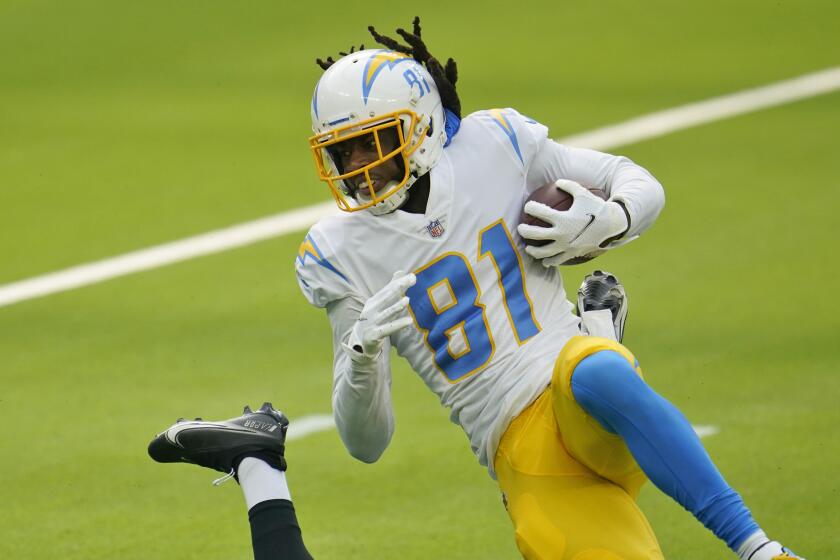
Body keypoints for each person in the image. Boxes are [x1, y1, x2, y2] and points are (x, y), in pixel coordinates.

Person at [295, 17, 803, 560]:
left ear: (419, 128)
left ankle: (759, 549)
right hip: (515, 444)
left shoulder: (495, 143)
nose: (358, 167)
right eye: (344, 152)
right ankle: (602, 330)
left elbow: (636, 181)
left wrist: (612, 220)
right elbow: (365, 445)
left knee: (597, 369)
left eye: (373, 143)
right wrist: (362, 352)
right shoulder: (337, 251)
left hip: (571, 381)